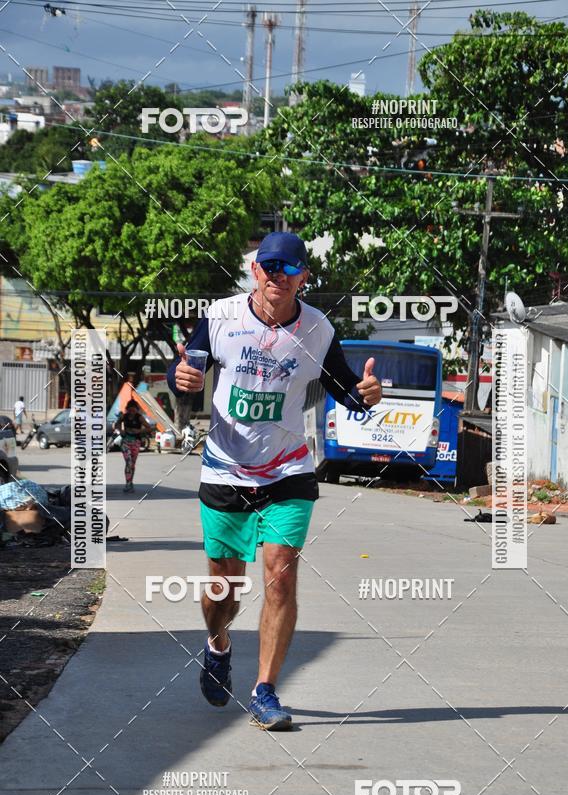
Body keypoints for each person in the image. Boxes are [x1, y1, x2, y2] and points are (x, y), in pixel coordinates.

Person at [167, 232, 381, 731]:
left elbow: (345, 389)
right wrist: (185, 379)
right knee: (222, 587)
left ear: (304, 277)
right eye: (270, 267)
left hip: (288, 470)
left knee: (280, 576)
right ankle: (218, 645)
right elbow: (189, 370)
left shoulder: (318, 330)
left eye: (290, 269)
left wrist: (366, 395)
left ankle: (264, 690)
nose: (278, 276)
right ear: (255, 271)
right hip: (225, 468)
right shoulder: (220, 318)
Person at [117, 399, 147, 493]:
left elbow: (149, 428)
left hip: (136, 442)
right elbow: (116, 425)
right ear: (127, 409)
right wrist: (120, 430)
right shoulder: (124, 416)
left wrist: (139, 431)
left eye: (134, 410)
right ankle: (128, 484)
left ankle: (130, 482)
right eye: (130, 410)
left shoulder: (139, 417)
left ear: (137, 410)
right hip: (125, 442)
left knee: (132, 464)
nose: (132, 412)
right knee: (129, 462)